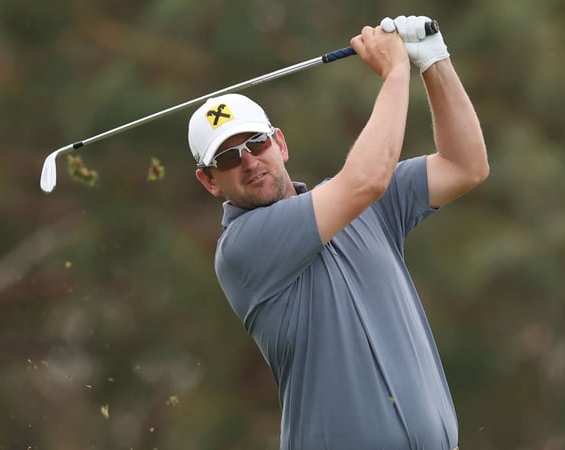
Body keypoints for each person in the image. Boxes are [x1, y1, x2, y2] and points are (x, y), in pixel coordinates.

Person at [187, 15, 488, 450]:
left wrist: (434, 61)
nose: (250, 161)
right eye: (229, 158)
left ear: (280, 144)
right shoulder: (242, 248)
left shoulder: (367, 207)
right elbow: (365, 180)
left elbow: (466, 166)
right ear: (210, 181)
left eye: (256, 143)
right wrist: (396, 72)